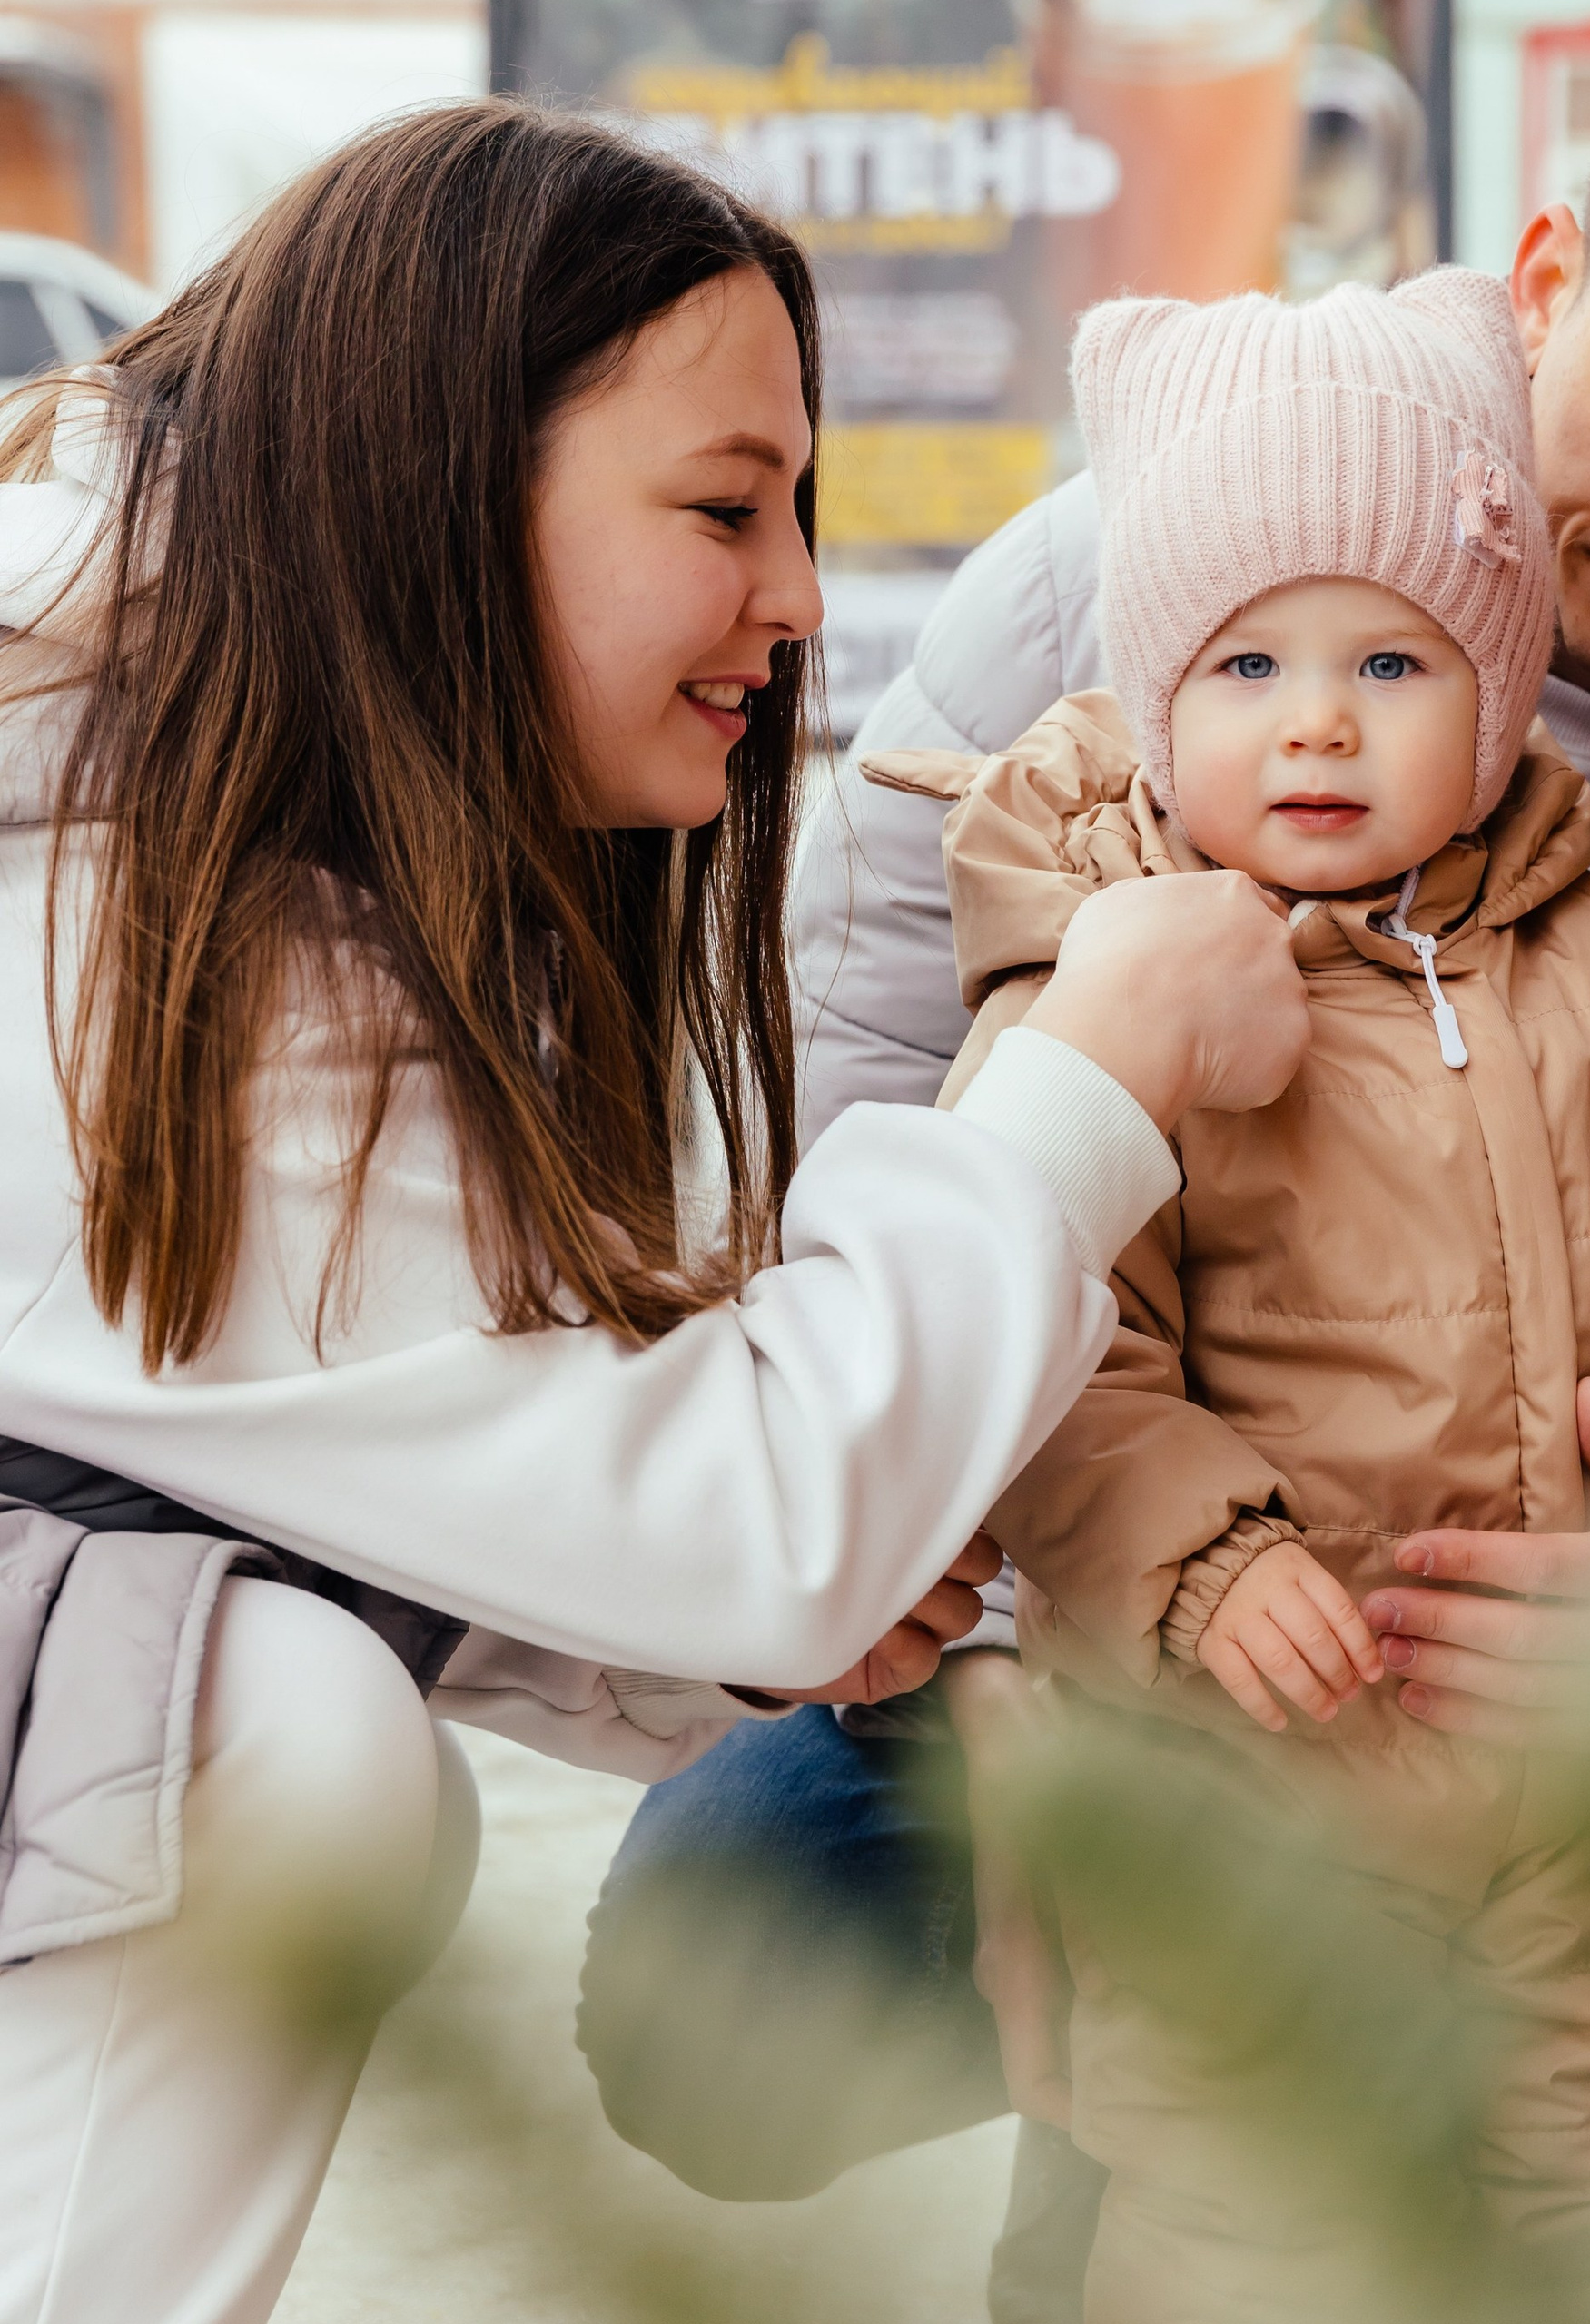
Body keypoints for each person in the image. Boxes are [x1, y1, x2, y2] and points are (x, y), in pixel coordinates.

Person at [579, 0, 1590, 2310]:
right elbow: (851, 1187)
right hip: (1183, 1621)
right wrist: (1025, 1677)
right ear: (1537, 288)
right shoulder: (1126, 603)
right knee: (821, 1985)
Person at [0, 103, 1309, 2324]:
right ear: (430, 486)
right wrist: (1096, 1064)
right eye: (724, 509)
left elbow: (344, 1439)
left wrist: (693, 1638)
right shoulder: (117, 922)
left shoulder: (227, 803)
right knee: (274, 1743)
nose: (794, 598)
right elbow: (760, 1499)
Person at [864, 265, 1590, 2324]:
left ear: (1493, 685)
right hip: (1254, 1770)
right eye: (1246, 661)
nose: (1315, 715)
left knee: (1588, 2195)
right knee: (1247, 2210)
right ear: (1151, 690)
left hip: (1574, 1779)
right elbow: (1058, 1360)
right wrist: (1205, 1561)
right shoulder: (1117, 988)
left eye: (1391, 656)